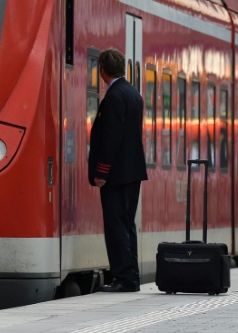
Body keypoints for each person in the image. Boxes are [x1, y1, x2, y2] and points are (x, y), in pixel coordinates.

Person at [88, 48, 148, 292]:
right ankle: (131, 276)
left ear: (102, 71)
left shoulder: (113, 97)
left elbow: (111, 138)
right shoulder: (133, 94)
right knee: (126, 224)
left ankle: (123, 278)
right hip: (132, 172)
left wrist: (101, 172)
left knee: (115, 226)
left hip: (116, 174)